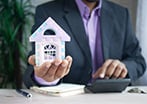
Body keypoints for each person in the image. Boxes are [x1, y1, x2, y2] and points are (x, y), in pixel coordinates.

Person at [23, 0, 146, 88]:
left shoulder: (121, 14)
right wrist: (46, 77)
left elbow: (138, 61)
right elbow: (35, 65)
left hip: (113, 98)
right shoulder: (48, 12)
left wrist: (124, 67)